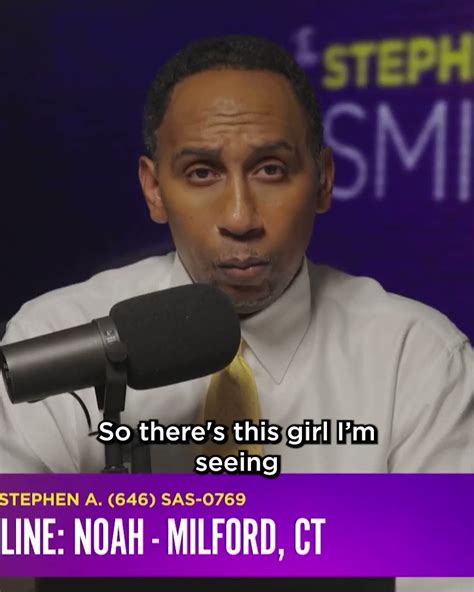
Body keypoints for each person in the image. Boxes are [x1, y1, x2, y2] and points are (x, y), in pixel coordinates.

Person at [0, 33, 472, 592]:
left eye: (271, 169)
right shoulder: (53, 337)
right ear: (154, 189)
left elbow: (445, 578)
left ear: (323, 179)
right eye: (202, 173)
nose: (241, 217)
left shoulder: (420, 360)